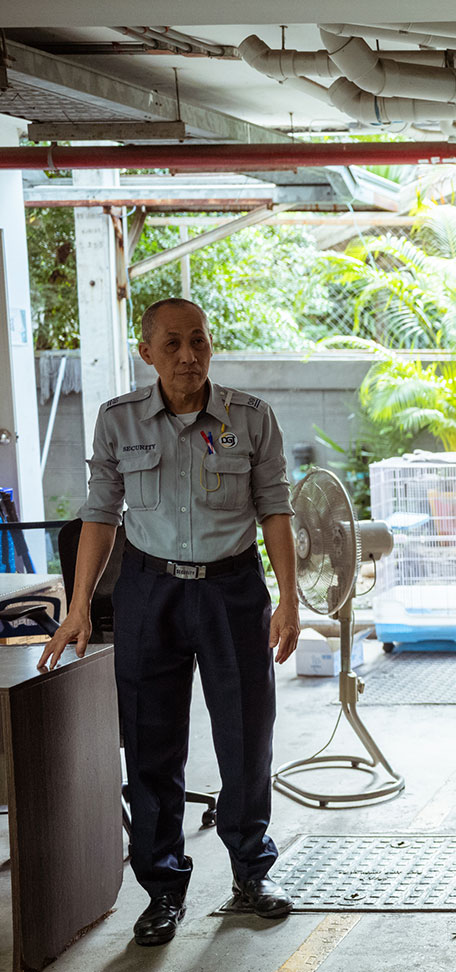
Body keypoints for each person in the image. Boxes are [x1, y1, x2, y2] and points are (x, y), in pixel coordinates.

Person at [39, 298, 301, 946]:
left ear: (211, 346)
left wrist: (290, 598)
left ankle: (250, 873)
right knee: (151, 746)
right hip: (149, 593)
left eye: (200, 342)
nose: (189, 356)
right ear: (148, 353)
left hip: (232, 592)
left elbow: (276, 511)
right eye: (174, 344)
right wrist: (77, 608)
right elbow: (100, 515)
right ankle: (162, 891)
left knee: (246, 737)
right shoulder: (118, 421)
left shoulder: (250, 419)